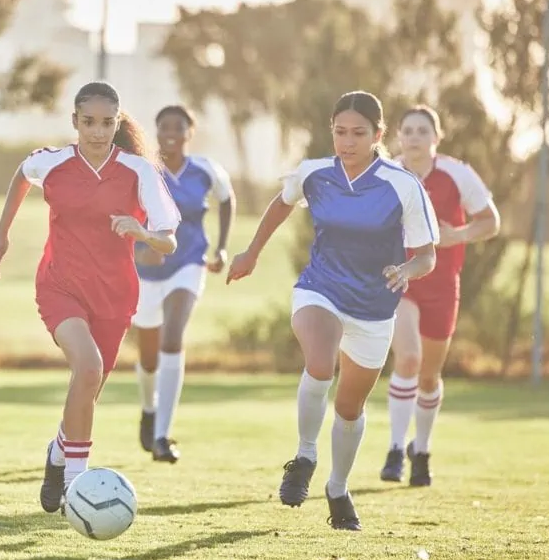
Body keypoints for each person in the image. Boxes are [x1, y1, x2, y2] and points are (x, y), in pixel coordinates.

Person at [226, 91, 439, 531]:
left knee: (349, 408)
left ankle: (338, 488)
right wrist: (251, 252)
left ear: (378, 135)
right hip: (319, 289)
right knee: (319, 363)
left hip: (374, 309)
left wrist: (406, 270)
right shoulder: (315, 174)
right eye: (340, 132)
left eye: (358, 133)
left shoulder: (402, 185)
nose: (347, 141)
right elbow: (282, 203)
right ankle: (304, 456)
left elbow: (427, 255)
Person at [0, 81, 181, 514]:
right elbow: (22, 174)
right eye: (89, 122)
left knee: (88, 387)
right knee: (88, 368)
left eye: (107, 123)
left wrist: (142, 231)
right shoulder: (52, 163)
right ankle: (77, 487)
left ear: (117, 122)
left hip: (115, 295)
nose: (97, 131)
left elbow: (168, 241)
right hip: (60, 286)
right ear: (74, 121)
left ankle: (58, 455)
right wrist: (1, 235)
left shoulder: (138, 170)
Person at [381, 105, 500, 486]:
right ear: (398, 137)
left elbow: (491, 222)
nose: (414, 137)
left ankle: (422, 449)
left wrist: (458, 235)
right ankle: (396, 449)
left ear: (436, 138)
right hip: (402, 279)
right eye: (408, 131)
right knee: (409, 358)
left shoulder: (457, 174)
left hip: (444, 284)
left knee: (429, 376)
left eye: (422, 131)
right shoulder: (388, 173)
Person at [132, 105, 235, 463]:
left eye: (179, 127)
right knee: (147, 358)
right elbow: (127, 212)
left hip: (189, 264)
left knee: (172, 338)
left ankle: (162, 436)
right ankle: (149, 409)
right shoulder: (143, 170)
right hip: (145, 272)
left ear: (190, 132)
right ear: (156, 132)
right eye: (164, 127)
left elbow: (226, 199)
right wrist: (140, 249)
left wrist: (221, 247)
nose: (171, 133)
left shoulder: (206, 170)